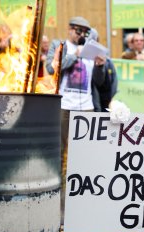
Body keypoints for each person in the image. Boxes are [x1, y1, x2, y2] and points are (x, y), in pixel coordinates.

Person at [46, 16, 107, 215]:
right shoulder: (59, 45)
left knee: (84, 158)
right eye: (77, 30)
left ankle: (82, 206)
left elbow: (98, 82)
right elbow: (51, 68)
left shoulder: (92, 50)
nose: (81, 34)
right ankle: (60, 208)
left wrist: (99, 66)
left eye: (84, 32)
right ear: (69, 29)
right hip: (63, 107)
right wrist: (75, 56)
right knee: (60, 157)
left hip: (87, 108)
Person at [87, 28, 118, 112]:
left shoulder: (107, 62)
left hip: (101, 106)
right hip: (85, 106)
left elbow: (113, 84)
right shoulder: (79, 60)